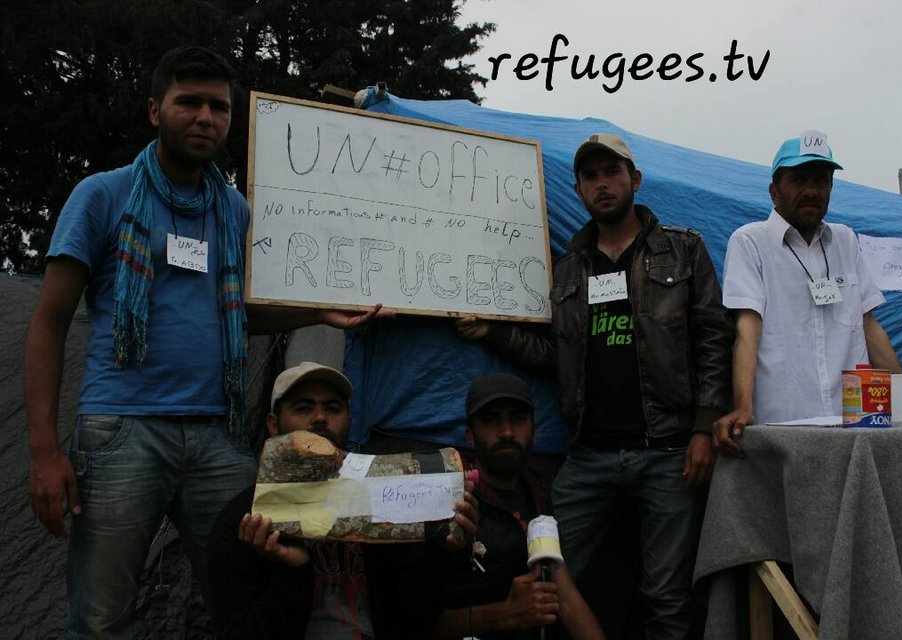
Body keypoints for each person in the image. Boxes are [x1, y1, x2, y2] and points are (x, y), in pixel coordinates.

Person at [24, 45, 388, 637]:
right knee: (99, 617)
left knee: (237, 602)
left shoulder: (234, 211)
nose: (205, 118)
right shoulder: (103, 196)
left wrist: (318, 309)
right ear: (154, 111)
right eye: (187, 102)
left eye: (218, 107)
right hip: (122, 431)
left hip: (219, 437)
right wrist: (43, 452)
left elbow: (237, 314)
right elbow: (49, 322)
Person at [457, 133, 732, 639]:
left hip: (667, 451)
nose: (603, 184)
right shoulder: (567, 268)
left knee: (667, 598)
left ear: (635, 180)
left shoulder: (684, 249)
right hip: (588, 456)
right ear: (580, 189)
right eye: (591, 177)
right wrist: (492, 332)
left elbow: (714, 339)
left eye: (613, 172)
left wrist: (703, 428)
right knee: (545, 572)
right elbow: (555, 357)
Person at [206, 362, 479, 639]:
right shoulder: (246, 519)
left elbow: (413, 617)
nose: (320, 417)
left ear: (350, 420)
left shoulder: (386, 504)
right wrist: (291, 570)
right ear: (273, 425)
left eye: (333, 408)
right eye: (303, 408)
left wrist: (445, 552)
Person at [713, 132, 902, 455]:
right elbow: (747, 328)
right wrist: (742, 405)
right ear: (774, 191)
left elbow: (868, 326)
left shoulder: (845, 240)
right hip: (784, 427)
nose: (811, 191)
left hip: (856, 423)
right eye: (798, 180)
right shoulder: (751, 242)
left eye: (821, 181)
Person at [430, 373, 604, 640]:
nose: (507, 432)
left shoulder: (537, 492)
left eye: (517, 419)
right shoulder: (451, 498)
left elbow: (565, 594)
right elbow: (419, 624)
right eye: (491, 420)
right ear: (470, 436)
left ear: (535, 432)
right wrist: (504, 613)